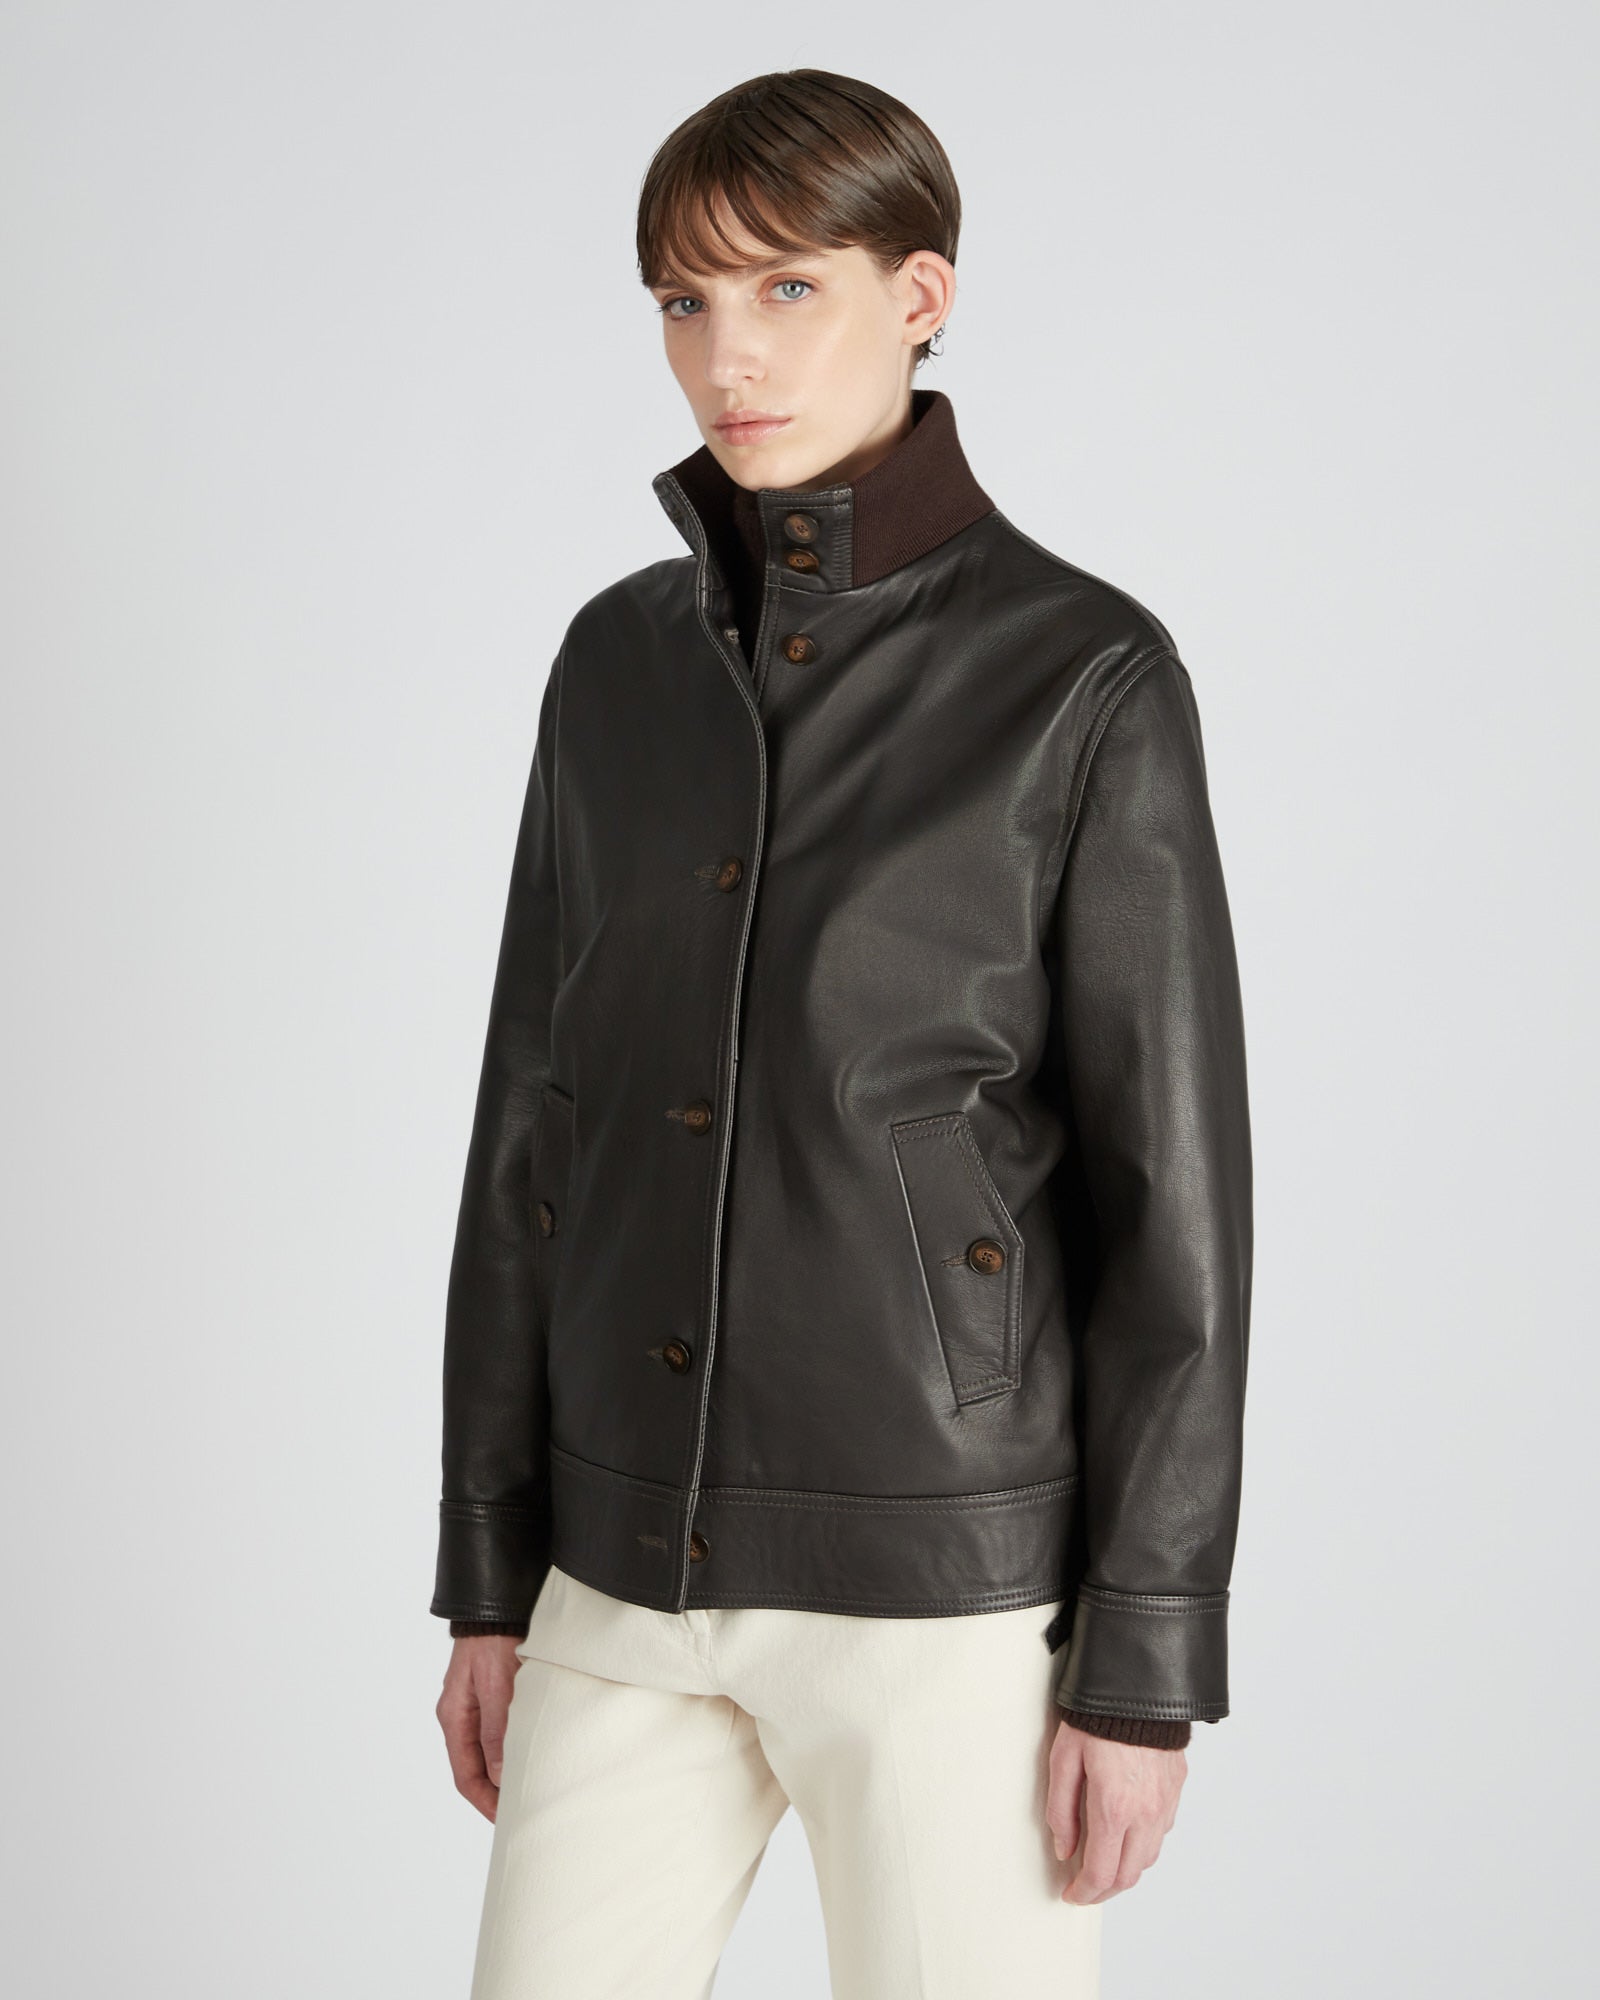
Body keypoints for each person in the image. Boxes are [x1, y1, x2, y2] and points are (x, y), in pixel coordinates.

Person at [432, 67, 1252, 2000]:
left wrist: (1142, 1658)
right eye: (684, 300)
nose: (727, 356)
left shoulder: (1082, 676)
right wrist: (490, 1565)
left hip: (944, 1594)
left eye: (787, 287)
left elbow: (1173, 1209)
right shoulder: (615, 664)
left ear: (921, 292)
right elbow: (532, 1125)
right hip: (621, 1574)